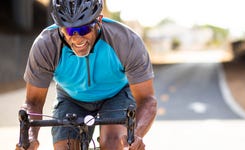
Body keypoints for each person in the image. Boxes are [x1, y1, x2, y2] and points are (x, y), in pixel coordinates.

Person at [16, 0, 157, 149]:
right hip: (71, 98)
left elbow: (147, 100)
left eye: (84, 29)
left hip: (116, 95)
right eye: (69, 30)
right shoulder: (45, 45)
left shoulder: (126, 41)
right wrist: (30, 135)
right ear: (59, 27)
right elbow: (33, 102)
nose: (77, 38)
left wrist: (137, 133)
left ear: (99, 21)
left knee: (113, 142)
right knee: (66, 147)